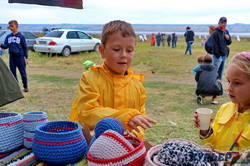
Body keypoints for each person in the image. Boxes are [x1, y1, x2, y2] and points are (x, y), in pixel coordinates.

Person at [70, 20, 157, 139]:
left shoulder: (137, 86)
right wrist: (126, 118)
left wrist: (135, 133)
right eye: (117, 49)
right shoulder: (90, 78)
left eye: (129, 50)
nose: (124, 55)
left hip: (125, 146)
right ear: (102, 51)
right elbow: (87, 112)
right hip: (93, 143)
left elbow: (140, 118)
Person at [194, 52, 250, 151]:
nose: (228, 88)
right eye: (228, 81)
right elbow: (212, 143)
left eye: (237, 83)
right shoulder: (225, 108)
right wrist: (205, 130)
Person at [0, 20, 29, 92]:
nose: (10, 28)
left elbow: (25, 47)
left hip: (20, 57)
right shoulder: (8, 36)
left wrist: (26, 58)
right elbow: (6, 46)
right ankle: (16, 87)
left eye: (12, 26)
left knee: (22, 72)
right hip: (12, 57)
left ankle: (25, 86)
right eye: (9, 26)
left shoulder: (21, 36)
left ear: (17, 26)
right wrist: (0, 44)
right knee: (12, 73)